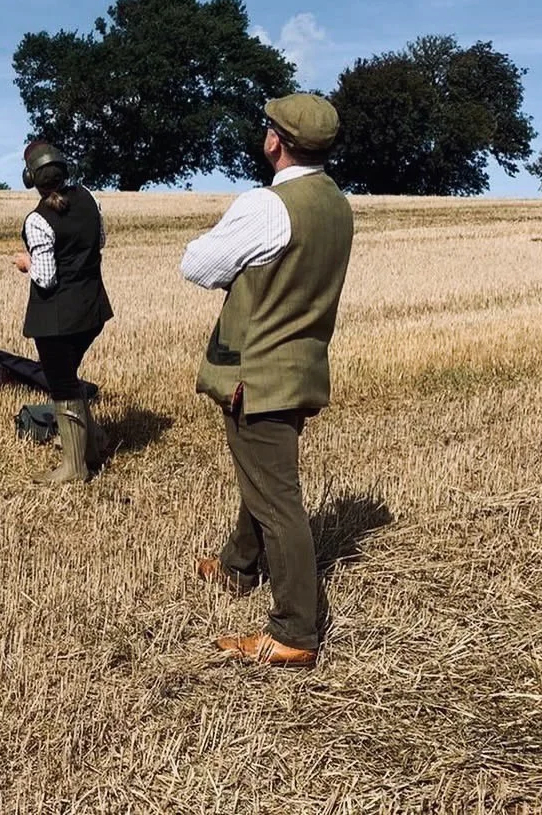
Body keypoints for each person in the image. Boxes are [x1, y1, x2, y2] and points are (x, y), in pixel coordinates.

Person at [181, 93, 354, 668]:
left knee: (279, 501)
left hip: (257, 375)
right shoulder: (334, 203)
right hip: (302, 366)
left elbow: (198, 266)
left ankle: (295, 631)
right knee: (264, 476)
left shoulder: (266, 206)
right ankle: (236, 565)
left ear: (276, 141)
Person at [13, 141, 113, 483]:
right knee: (68, 378)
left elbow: (46, 277)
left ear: (31, 178)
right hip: (92, 309)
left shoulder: (38, 220)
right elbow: (100, 241)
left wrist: (26, 263)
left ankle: (75, 467)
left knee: (63, 385)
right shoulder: (88, 197)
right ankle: (92, 446)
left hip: (57, 320)